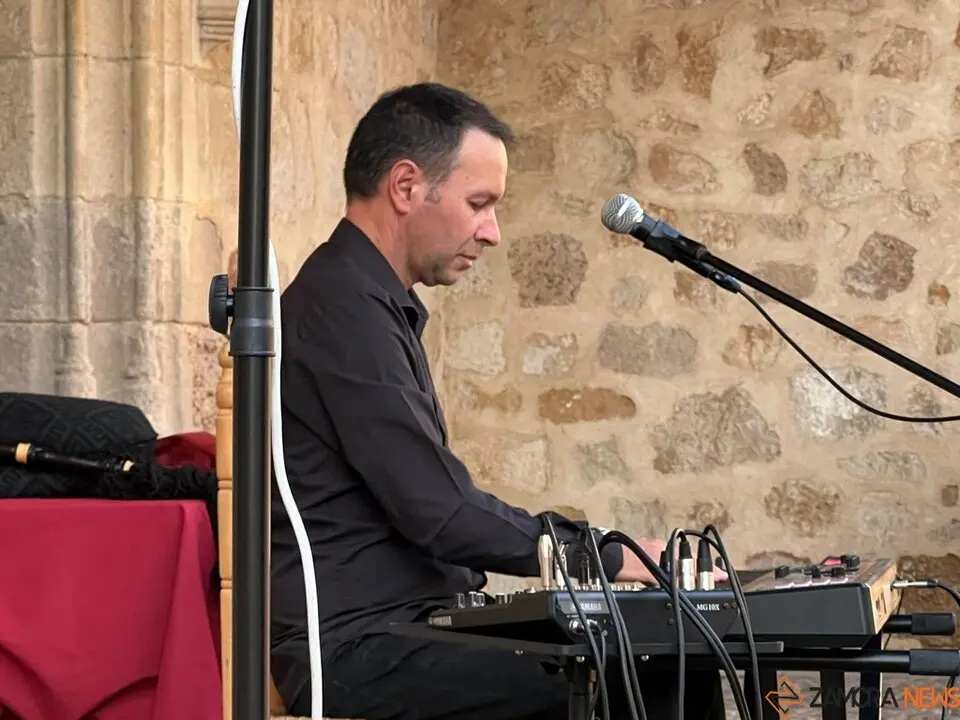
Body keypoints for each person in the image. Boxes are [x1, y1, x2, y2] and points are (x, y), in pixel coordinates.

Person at [270, 82, 727, 719]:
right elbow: (441, 512)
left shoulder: (364, 301)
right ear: (406, 187)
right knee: (640, 679)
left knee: (669, 656)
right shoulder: (342, 310)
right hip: (354, 650)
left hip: (403, 626)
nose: (492, 233)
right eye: (479, 203)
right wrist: (610, 555)